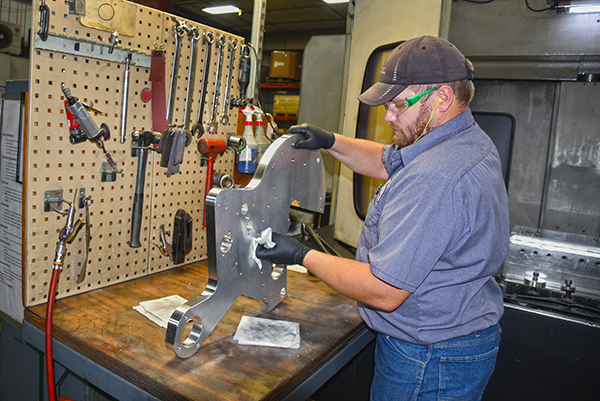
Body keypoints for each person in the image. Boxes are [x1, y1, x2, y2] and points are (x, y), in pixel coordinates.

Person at [256, 35, 509, 401]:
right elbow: (386, 161)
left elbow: (384, 290)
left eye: (398, 105)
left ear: (441, 98)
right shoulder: (460, 140)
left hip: (428, 359)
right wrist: (330, 141)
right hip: (456, 337)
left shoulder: (436, 177)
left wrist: (300, 254)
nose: (388, 117)